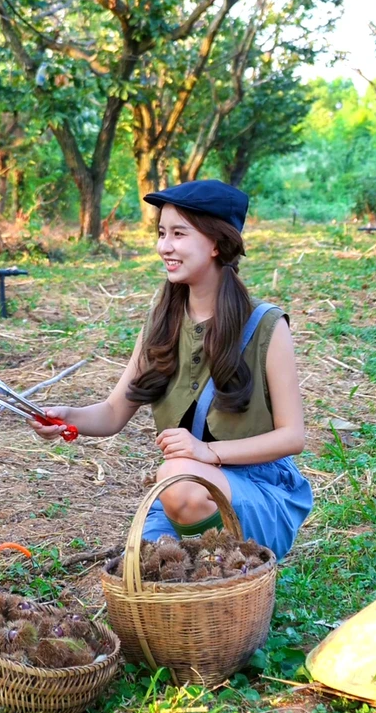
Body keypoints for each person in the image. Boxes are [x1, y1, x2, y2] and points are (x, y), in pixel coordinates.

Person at [29, 180, 312, 557]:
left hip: (257, 490)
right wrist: (70, 418)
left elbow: (292, 437)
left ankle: (228, 562)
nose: (164, 246)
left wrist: (206, 453)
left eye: (179, 234)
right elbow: (114, 412)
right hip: (184, 489)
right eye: (162, 233)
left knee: (178, 477)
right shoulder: (162, 323)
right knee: (146, 566)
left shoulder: (266, 326)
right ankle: (206, 560)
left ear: (216, 243)